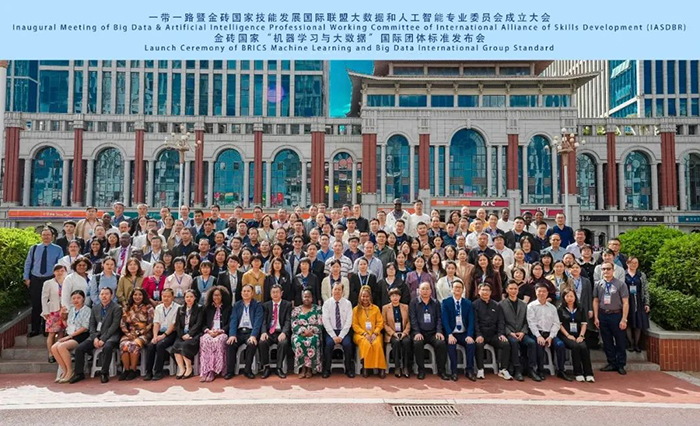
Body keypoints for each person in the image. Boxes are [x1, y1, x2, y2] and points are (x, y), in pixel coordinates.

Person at [70, 287, 123, 384]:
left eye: (106, 294)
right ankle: (79, 373)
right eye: (102, 294)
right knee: (80, 348)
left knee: (107, 347)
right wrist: (94, 338)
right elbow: (92, 325)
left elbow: (114, 326)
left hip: (110, 336)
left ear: (111, 295)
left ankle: (104, 373)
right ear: (99, 296)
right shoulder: (95, 308)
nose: (104, 296)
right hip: (96, 335)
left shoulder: (117, 308)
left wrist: (103, 339)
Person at [24, 227, 63, 337]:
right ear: (41, 236)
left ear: (52, 236)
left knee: (49, 305)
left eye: (48, 235)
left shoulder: (58, 249)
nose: (46, 237)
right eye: (44, 235)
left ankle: (47, 329)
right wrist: (26, 278)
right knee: (36, 304)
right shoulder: (34, 248)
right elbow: (28, 263)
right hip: (35, 278)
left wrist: (59, 280)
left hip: (50, 279)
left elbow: (60, 265)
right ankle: (35, 329)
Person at [527, 284, 570, 382]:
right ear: (535, 292)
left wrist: (551, 336)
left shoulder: (552, 307)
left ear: (547, 293)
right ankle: (540, 370)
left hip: (550, 333)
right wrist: (538, 336)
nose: (541, 293)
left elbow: (556, 323)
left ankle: (561, 370)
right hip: (536, 333)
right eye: (539, 291)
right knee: (539, 344)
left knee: (560, 345)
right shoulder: (531, 306)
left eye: (544, 291)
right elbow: (531, 323)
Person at [594, 261, 630, 375]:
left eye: (608, 269)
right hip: (603, 315)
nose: (606, 271)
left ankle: (621, 364)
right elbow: (595, 301)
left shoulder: (620, 284)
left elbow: (625, 303)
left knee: (620, 341)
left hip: (616, 315)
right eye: (604, 269)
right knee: (607, 341)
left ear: (613, 270)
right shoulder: (598, 284)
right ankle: (611, 363)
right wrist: (596, 317)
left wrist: (624, 319)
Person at [409, 282, 449, 381]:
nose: (425, 291)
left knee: (441, 343)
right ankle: (421, 370)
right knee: (417, 343)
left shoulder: (436, 303)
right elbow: (413, 319)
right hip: (419, 332)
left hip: (433, 332)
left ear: (431, 291)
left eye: (427, 289)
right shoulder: (414, 303)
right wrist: (417, 332)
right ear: (419, 291)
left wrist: (439, 331)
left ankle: (441, 371)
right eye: (423, 289)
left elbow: (439, 318)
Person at [472, 283, 511, 380]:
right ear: (478, 291)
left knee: (505, 344)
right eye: (483, 290)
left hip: (493, 334)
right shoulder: (474, 305)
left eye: (487, 290)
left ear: (491, 292)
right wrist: (478, 334)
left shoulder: (496, 305)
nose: (485, 292)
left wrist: (501, 334)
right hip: (481, 334)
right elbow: (474, 322)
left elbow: (501, 321)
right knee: (479, 345)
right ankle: (480, 369)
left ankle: (503, 369)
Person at [500, 281, 538, 381]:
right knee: (514, 342)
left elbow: (526, 321)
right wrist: (509, 332)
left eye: (515, 289)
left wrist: (523, 332)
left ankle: (531, 369)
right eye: (511, 289)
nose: (513, 291)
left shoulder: (524, 304)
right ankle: (517, 369)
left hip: (521, 332)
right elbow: (501, 322)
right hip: (510, 333)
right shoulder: (501, 304)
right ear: (507, 290)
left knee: (532, 343)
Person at [225, 284, 263, 379]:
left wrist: (253, 335)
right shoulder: (237, 305)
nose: (246, 293)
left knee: (252, 344)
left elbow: (258, 322)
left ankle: (247, 370)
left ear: (252, 293)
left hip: (251, 332)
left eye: (248, 291)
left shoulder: (257, 305)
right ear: (241, 293)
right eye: (244, 291)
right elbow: (233, 320)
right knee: (230, 344)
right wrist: (232, 335)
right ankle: (230, 371)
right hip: (239, 332)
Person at [51, 290, 90, 383]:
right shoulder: (72, 310)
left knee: (62, 347)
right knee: (54, 347)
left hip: (80, 335)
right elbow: (68, 325)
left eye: (78, 298)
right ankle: (64, 371)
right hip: (70, 334)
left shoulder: (87, 310)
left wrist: (70, 336)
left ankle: (70, 371)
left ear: (83, 299)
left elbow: (85, 327)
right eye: (74, 298)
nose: (76, 300)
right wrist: (62, 317)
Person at [441, 280, 476, 381]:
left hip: (464, 333)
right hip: (452, 333)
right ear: (452, 289)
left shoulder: (468, 303)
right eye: (455, 287)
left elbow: (471, 320)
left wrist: (469, 335)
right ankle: (454, 371)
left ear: (463, 290)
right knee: (451, 345)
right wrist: (449, 334)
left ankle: (469, 370)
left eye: (460, 287)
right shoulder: (446, 302)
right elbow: (445, 320)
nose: (457, 289)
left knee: (471, 344)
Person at [558, 288, 595, 382]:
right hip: (565, 335)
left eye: (571, 296)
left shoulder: (580, 309)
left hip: (578, 334)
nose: (569, 298)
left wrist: (581, 336)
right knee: (575, 346)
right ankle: (578, 372)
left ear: (575, 297)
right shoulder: (560, 309)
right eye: (567, 296)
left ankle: (588, 373)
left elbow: (584, 324)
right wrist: (568, 335)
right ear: (563, 297)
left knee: (584, 347)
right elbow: (560, 325)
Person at [143, 288, 179, 381]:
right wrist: (155, 336)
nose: (166, 298)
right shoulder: (158, 307)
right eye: (164, 296)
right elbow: (156, 323)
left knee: (160, 345)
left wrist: (163, 336)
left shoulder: (178, 308)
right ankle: (148, 372)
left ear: (173, 297)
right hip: (159, 332)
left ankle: (158, 371)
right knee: (151, 345)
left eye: (168, 296)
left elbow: (173, 325)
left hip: (171, 333)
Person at [118, 288, 154, 381]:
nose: (137, 297)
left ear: (143, 296)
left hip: (144, 333)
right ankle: (126, 370)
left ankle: (133, 370)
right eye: (135, 295)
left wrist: (138, 333)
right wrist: (127, 333)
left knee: (133, 345)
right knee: (123, 345)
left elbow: (150, 324)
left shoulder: (149, 308)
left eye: (140, 295)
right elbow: (122, 323)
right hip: (129, 333)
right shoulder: (127, 308)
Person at [321, 281, 355, 378]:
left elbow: (349, 321)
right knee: (328, 344)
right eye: (335, 289)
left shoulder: (347, 303)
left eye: (339, 289)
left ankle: (348, 369)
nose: (337, 291)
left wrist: (341, 336)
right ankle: (327, 369)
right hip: (331, 331)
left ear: (343, 291)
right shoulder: (327, 304)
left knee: (348, 345)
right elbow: (326, 321)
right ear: (332, 291)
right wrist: (333, 336)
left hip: (344, 331)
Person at [352, 285, 387, 378]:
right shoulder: (356, 310)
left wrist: (375, 333)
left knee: (377, 343)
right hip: (360, 334)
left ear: (370, 297)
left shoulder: (376, 308)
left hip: (375, 333)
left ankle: (381, 368)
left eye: (367, 296)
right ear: (360, 297)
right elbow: (355, 325)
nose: (365, 298)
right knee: (366, 343)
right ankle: (366, 367)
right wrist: (364, 333)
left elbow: (380, 323)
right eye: (363, 296)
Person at [198, 286, 232, 382]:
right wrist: (208, 331)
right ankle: (206, 370)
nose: (216, 297)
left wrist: (221, 331)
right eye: (214, 295)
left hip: (222, 333)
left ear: (223, 296)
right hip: (210, 332)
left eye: (218, 295)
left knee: (217, 341)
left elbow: (230, 323)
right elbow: (202, 324)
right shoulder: (207, 308)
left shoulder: (228, 308)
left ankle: (215, 370)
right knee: (205, 341)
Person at [259, 284, 292, 379]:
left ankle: (279, 367)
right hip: (269, 332)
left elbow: (288, 321)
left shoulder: (287, 305)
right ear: (270, 294)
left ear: (281, 293)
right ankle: (266, 367)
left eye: (277, 292)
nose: (275, 294)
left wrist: (284, 332)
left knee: (283, 343)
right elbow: (264, 321)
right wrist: (263, 332)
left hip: (280, 331)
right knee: (262, 342)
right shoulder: (266, 305)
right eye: (273, 292)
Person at [172, 289, 204, 379]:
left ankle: (189, 368)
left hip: (194, 334)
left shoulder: (200, 308)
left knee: (185, 345)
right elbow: (178, 324)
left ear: (195, 298)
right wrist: (182, 335)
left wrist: (190, 334)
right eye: (187, 297)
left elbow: (198, 324)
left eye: (191, 297)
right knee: (176, 346)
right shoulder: (180, 309)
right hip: (182, 334)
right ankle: (182, 368)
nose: (189, 299)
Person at [292, 288, 324, 379]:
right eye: (305, 297)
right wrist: (303, 331)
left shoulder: (318, 309)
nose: (307, 298)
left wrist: (311, 331)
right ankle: (302, 368)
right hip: (300, 333)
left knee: (313, 340)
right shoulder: (296, 310)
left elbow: (320, 324)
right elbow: (294, 324)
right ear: (302, 298)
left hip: (313, 333)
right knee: (298, 341)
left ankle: (310, 369)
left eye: (309, 297)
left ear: (312, 298)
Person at [382, 287, 412, 378]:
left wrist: (405, 333)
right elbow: (384, 323)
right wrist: (393, 333)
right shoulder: (385, 308)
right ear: (390, 297)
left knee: (406, 342)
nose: (395, 298)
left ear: (400, 297)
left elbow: (409, 322)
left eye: (397, 296)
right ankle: (397, 367)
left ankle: (405, 367)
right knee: (396, 342)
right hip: (392, 334)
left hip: (403, 332)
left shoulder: (405, 307)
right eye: (393, 296)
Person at [41, 265, 68, 363]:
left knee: (61, 333)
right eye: (57, 271)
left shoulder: (67, 281)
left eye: (62, 270)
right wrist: (45, 311)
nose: (60, 273)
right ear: (54, 272)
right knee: (52, 333)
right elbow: (44, 297)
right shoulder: (48, 283)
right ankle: (50, 354)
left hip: (64, 310)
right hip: (53, 310)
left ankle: (59, 353)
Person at [625, 257, 650, 353]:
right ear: (627, 263)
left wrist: (647, 303)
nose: (634, 265)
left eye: (636, 263)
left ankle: (637, 344)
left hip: (639, 300)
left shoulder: (641, 275)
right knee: (628, 322)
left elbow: (645, 289)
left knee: (638, 323)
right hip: (627, 300)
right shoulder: (624, 274)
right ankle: (630, 343)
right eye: (632, 263)